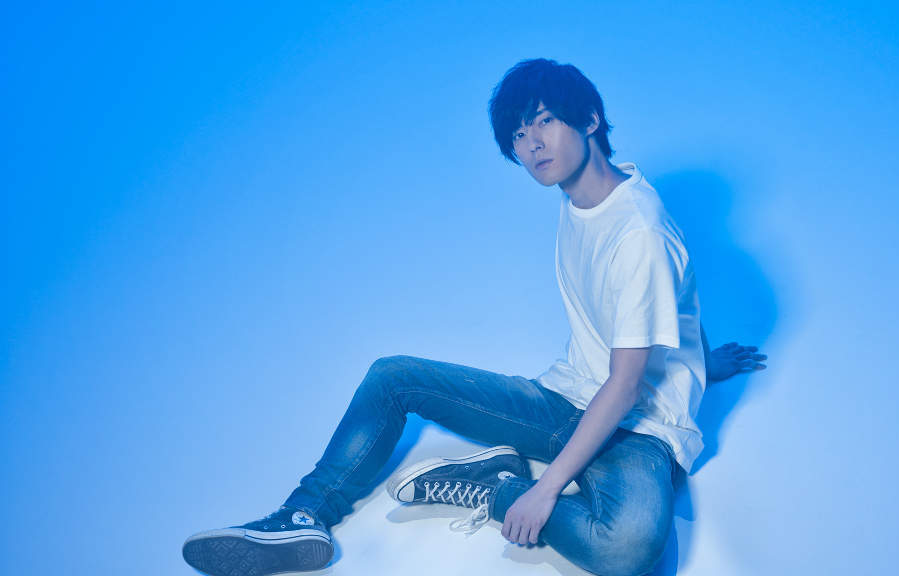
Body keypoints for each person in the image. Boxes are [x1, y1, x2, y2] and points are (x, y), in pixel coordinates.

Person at [182, 58, 767, 576]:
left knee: (628, 550)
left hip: (636, 431)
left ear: (590, 119)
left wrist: (541, 491)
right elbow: (675, 291)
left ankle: (497, 487)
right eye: (518, 133)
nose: (532, 144)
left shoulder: (638, 229)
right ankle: (303, 516)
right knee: (392, 377)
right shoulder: (585, 199)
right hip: (566, 398)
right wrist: (698, 358)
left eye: (544, 121)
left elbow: (627, 383)